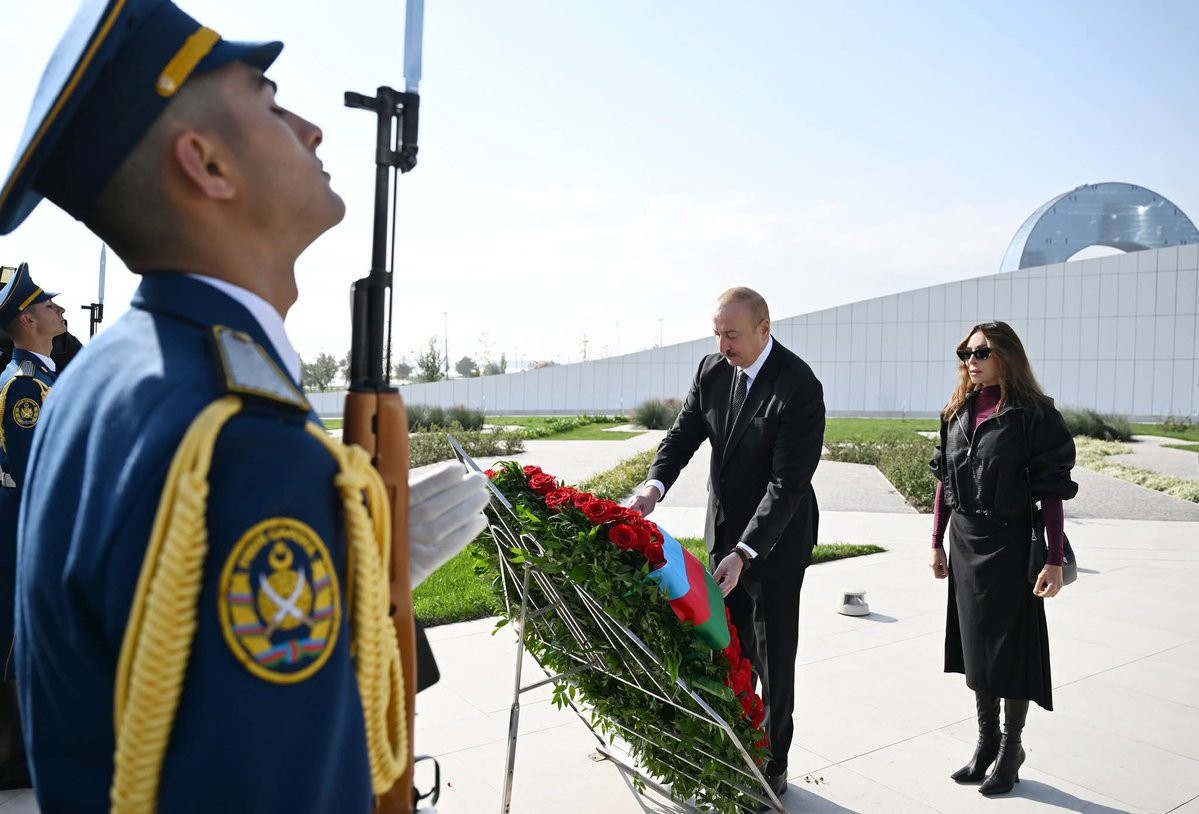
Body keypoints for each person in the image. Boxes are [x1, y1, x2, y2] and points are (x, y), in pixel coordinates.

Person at [0, 1, 487, 810]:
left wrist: (350, 581)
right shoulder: (242, 440)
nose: (312, 130)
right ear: (207, 165)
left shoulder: (105, 376)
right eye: (270, 103)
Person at [628, 286, 825, 807]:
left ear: (764, 328)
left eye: (732, 334)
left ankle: (773, 762)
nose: (722, 345)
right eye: (717, 333)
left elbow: (787, 485)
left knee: (772, 655)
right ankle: (734, 746)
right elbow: (683, 435)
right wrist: (653, 487)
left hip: (775, 544)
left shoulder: (799, 386)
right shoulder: (712, 370)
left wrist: (745, 552)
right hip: (724, 537)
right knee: (726, 647)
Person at [929, 320, 1077, 796]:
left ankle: (1012, 748)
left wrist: (1054, 559)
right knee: (976, 648)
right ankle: (986, 740)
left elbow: (1052, 491)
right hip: (966, 543)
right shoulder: (957, 411)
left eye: (981, 352)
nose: (971, 361)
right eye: (966, 353)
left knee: (1009, 650)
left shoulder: (1035, 416)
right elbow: (944, 481)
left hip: (1012, 544)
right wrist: (936, 541)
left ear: (1006, 356)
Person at [0, 263, 67, 790]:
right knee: (12, 643)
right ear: (27, 319)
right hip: (21, 535)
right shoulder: (25, 386)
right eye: (48, 304)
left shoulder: (40, 378)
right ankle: (10, 757)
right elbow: (36, 473)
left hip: (27, 533)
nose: (59, 309)